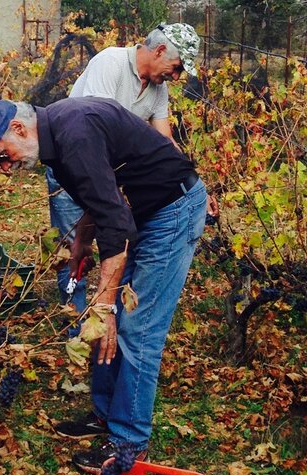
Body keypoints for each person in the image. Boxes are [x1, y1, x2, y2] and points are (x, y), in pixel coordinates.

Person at [0, 98, 207, 470]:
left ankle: (129, 443)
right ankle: (105, 415)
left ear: (18, 129)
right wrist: (81, 241)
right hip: (141, 210)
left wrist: (103, 304)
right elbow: (101, 198)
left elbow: (117, 226)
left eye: (2, 155)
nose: (3, 167)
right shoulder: (55, 141)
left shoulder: (74, 135)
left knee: (137, 327)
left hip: (173, 211)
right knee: (108, 320)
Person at [46, 23, 217, 336]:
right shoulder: (110, 63)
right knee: (75, 249)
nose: (176, 77)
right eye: (177, 67)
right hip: (74, 168)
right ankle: (76, 332)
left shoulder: (158, 89)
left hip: (107, 177)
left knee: (111, 245)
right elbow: (90, 131)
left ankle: (100, 328)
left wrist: (192, 181)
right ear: (160, 50)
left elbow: (165, 141)